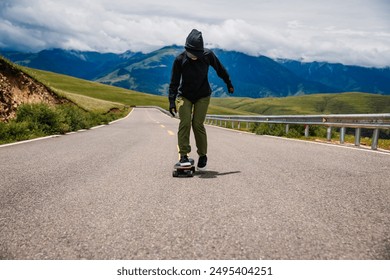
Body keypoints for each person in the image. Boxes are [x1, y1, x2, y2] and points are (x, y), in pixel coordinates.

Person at [168, 29, 234, 170]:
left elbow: (220, 69)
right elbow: (174, 82)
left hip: (203, 95)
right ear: (187, 49)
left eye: (197, 54)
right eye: (192, 54)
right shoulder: (180, 60)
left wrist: (228, 83)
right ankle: (184, 155)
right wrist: (172, 102)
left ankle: (203, 155)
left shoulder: (207, 55)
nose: (195, 57)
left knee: (197, 124)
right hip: (184, 96)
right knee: (185, 122)